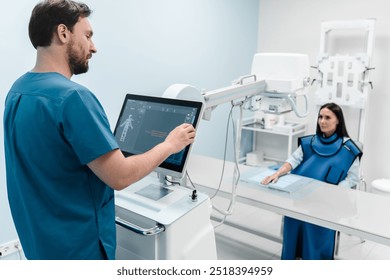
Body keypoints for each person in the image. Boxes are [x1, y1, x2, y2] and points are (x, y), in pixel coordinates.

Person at [3, 0, 196, 260]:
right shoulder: (73, 97)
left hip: (41, 244)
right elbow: (120, 177)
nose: (93, 47)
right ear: (63, 33)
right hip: (78, 249)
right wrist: (170, 144)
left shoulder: (18, 90)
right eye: (88, 36)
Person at [261, 102, 362, 260]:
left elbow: (353, 178)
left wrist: (333, 191)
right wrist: (278, 173)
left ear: (338, 121)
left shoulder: (348, 149)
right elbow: (293, 160)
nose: (322, 121)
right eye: (320, 117)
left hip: (325, 206)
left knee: (316, 241)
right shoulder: (309, 142)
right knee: (293, 233)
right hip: (300, 199)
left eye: (327, 117)